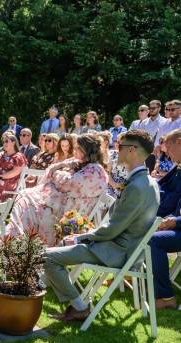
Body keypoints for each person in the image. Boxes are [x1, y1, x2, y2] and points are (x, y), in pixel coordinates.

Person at [44, 130, 159, 321]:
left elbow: (113, 229)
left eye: (120, 147)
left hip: (116, 251)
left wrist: (81, 236)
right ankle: (48, 288)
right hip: (120, 247)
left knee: (46, 257)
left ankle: (80, 307)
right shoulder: (147, 182)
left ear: (132, 150)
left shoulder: (138, 187)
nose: (116, 149)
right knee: (59, 248)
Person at [6, 134, 108, 246]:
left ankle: (17, 244)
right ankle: (16, 244)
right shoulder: (79, 163)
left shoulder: (96, 172)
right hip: (60, 207)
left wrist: (57, 172)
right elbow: (51, 171)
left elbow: (67, 183)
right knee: (24, 198)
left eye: (77, 148)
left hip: (70, 216)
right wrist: (61, 166)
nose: (74, 151)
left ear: (86, 150)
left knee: (27, 205)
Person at [149, 128, 181, 310]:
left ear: (179, 142)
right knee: (142, 224)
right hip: (175, 221)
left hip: (178, 225)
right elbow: (161, 186)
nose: (166, 151)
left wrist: (175, 221)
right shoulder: (178, 165)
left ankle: (166, 296)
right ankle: (132, 273)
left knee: (154, 240)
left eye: (168, 146)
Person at [0, 134, 27, 202]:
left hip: (9, 182)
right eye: (3, 142)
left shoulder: (18, 156)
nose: (4, 143)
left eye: (6, 141)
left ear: (13, 142)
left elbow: (14, 172)